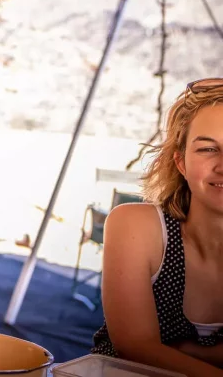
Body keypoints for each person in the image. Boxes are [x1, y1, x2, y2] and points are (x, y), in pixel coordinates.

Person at [92, 78, 223, 376]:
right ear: (181, 163)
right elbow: (135, 347)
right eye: (207, 149)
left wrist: (186, 351)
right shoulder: (137, 226)